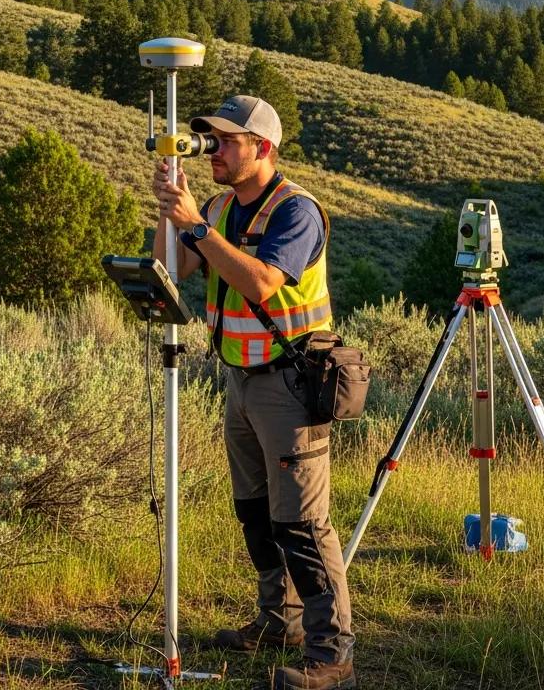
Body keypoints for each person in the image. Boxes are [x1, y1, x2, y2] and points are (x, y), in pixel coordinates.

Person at [152, 95, 355, 690]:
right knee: (256, 512)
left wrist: (196, 227)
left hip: (290, 382)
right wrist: (171, 212)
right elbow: (172, 271)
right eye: (209, 139)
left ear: (262, 148)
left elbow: (263, 284)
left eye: (224, 141)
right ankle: (277, 620)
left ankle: (332, 655)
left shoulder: (297, 211)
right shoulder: (220, 207)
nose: (212, 150)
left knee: (303, 523)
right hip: (240, 380)